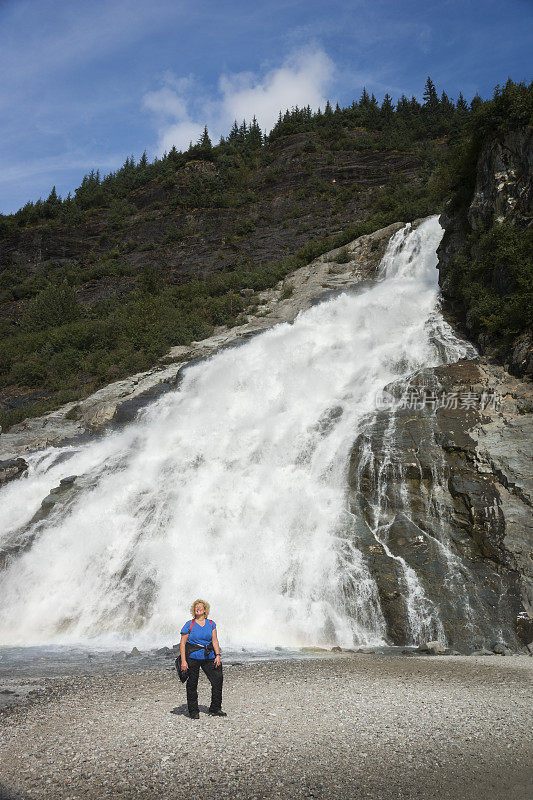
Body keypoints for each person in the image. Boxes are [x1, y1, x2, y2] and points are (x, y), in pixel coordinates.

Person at [180, 599, 225, 719]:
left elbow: (215, 640)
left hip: (209, 656)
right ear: (194, 611)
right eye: (196, 608)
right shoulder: (189, 624)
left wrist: (218, 655)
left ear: (205, 610)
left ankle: (215, 708)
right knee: (192, 684)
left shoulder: (211, 624)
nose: (198, 608)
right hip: (193, 657)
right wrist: (183, 661)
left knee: (218, 680)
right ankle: (193, 711)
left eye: (200, 607)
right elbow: (183, 644)